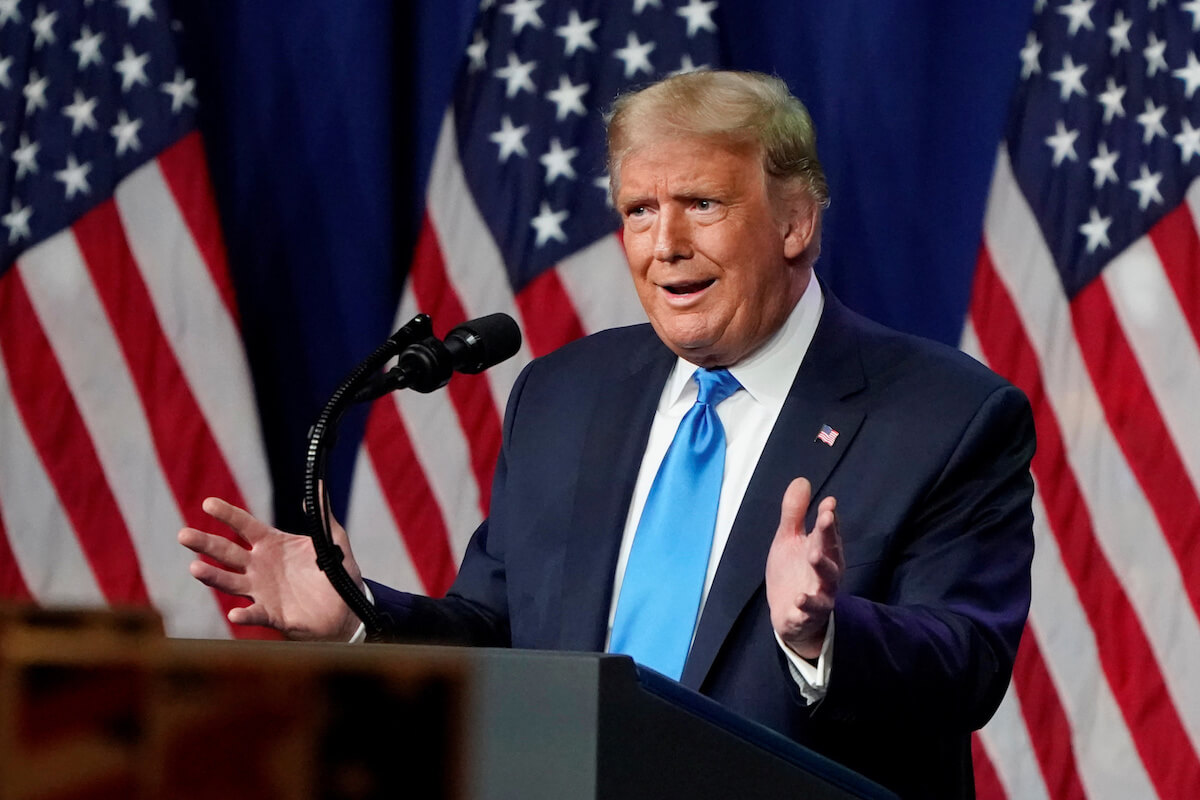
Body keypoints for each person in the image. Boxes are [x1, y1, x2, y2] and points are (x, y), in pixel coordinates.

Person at [180, 70, 1035, 799]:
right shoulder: (563, 395)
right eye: (638, 210)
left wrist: (822, 633)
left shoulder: (947, 417)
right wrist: (362, 622)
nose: (665, 244)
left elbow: (967, 663)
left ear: (795, 224)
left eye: (702, 203)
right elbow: (502, 636)